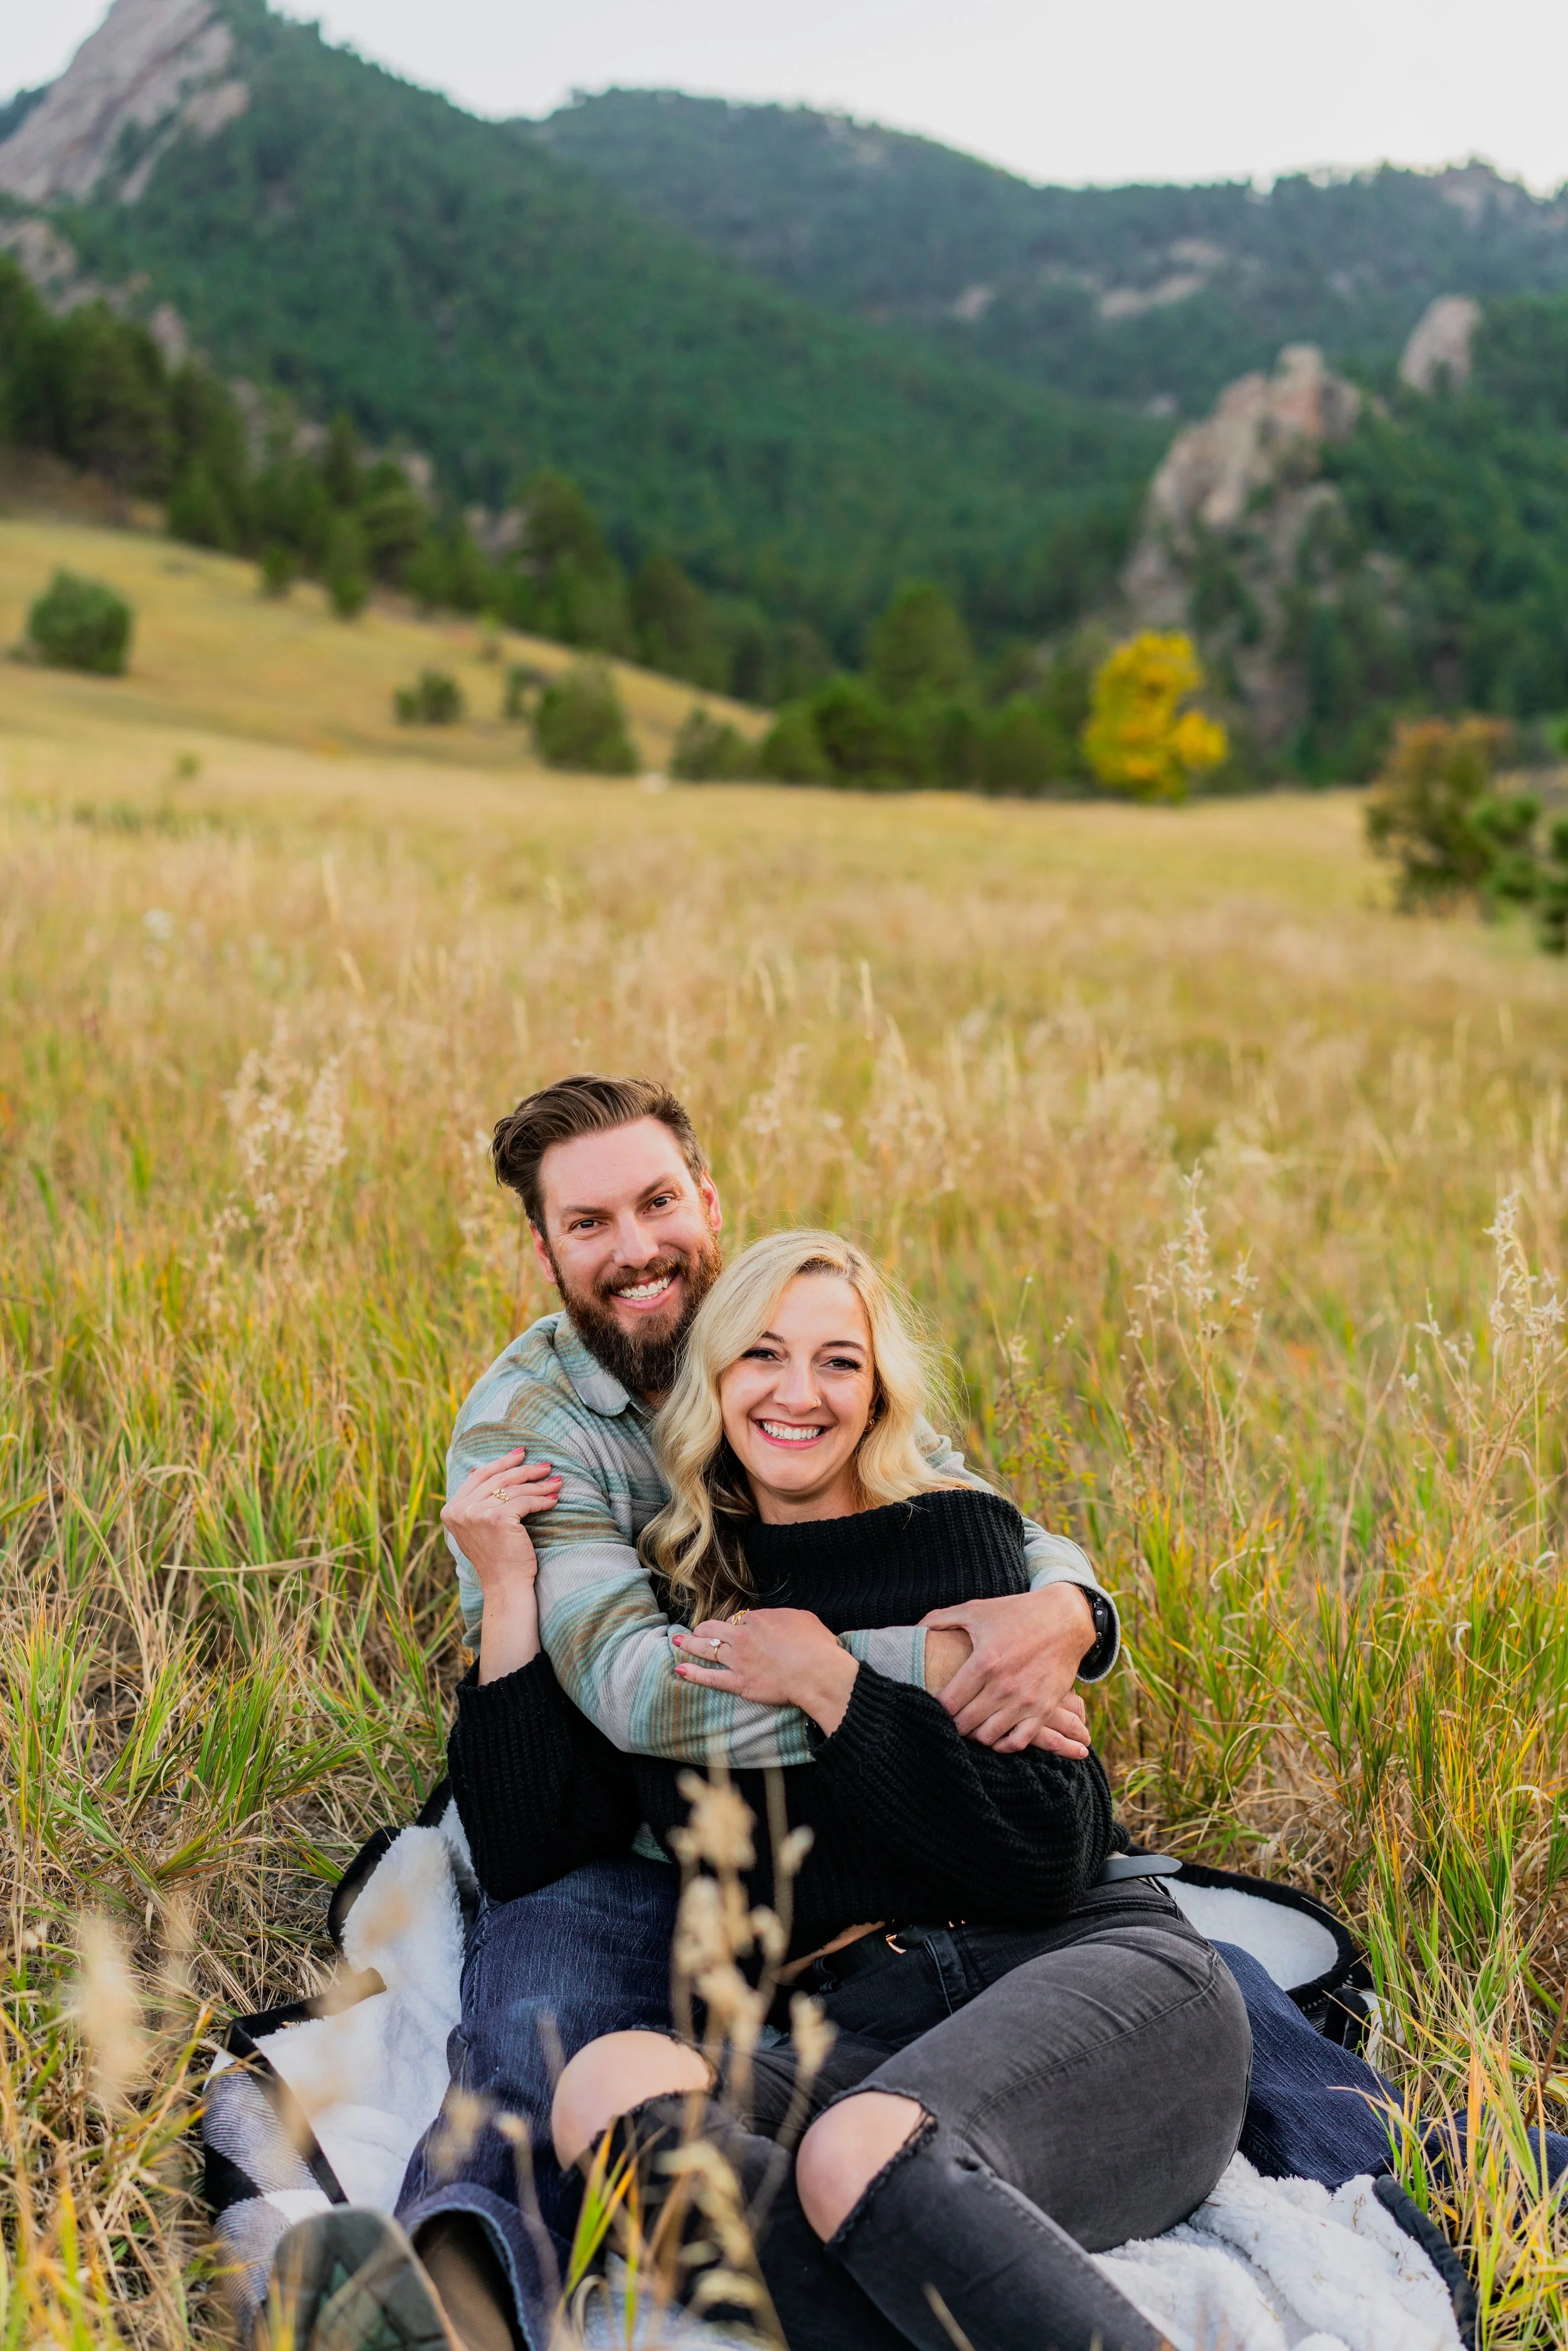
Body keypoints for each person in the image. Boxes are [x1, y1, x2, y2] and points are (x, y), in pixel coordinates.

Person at [271, 1080, 1122, 2349]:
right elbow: (636, 1691)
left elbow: (953, 1505)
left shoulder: (786, 1326)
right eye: (589, 1220)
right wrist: (932, 1673)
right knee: (537, 2020)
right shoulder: (531, 1419)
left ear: (705, 1199)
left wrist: (1065, 1608)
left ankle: (1376, 2149)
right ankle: (456, 2298)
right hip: (629, 1826)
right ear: (545, 1248)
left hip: (818, 1811)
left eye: (657, 1200)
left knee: (1119, 1930)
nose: (635, 1247)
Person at [446, 1230, 1253, 2351]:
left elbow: (1046, 1851)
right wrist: (508, 1589)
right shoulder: (681, 1608)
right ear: (715, 1380)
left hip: (1079, 1979)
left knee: (858, 2151)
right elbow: (529, 1843)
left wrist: (835, 1686)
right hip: (852, 2033)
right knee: (607, 2085)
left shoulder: (953, 1539)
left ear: (877, 1398)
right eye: (764, 1357)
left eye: (839, 1363)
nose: (799, 1393)